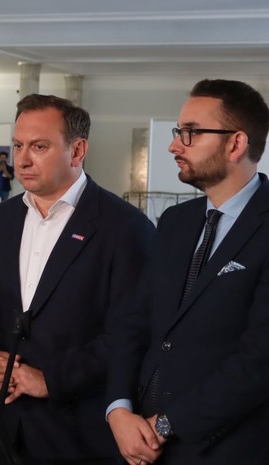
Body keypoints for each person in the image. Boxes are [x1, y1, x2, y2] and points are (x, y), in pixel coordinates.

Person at [0, 94, 155, 465]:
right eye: (18, 145)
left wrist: (50, 379)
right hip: (3, 432)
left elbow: (132, 333)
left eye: (39, 147)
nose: (22, 159)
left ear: (77, 150)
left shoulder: (126, 228)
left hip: (80, 439)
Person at [106, 79, 269, 465]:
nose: (175, 145)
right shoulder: (175, 222)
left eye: (191, 133)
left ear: (236, 144)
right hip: (139, 443)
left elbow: (259, 361)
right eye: (178, 132)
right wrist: (118, 409)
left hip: (224, 450)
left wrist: (166, 425)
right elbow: (134, 324)